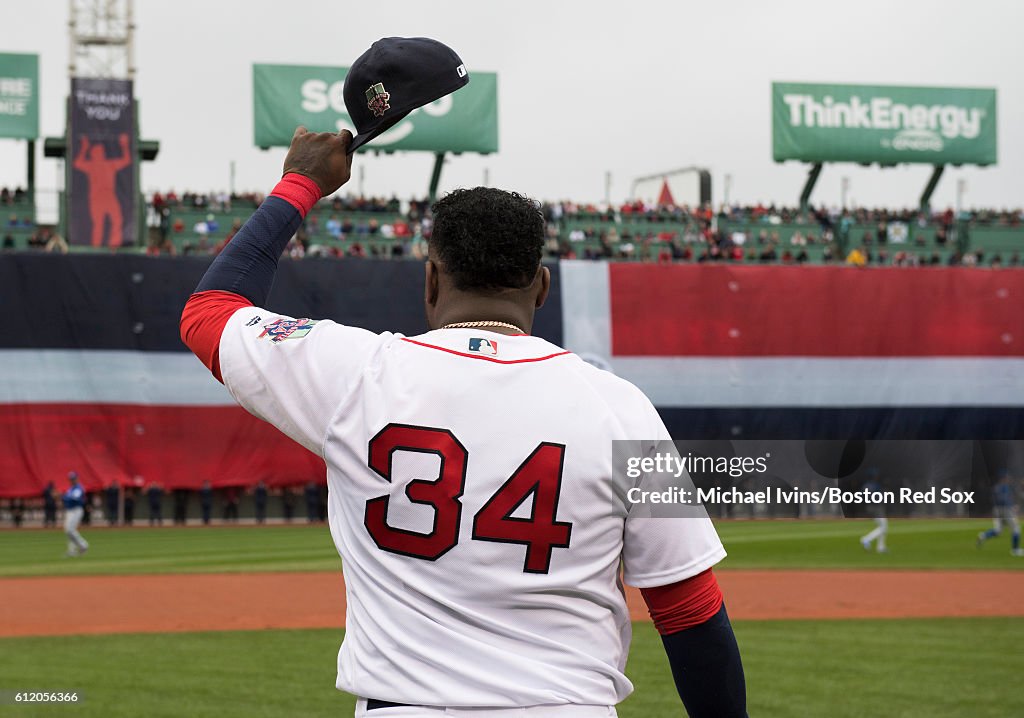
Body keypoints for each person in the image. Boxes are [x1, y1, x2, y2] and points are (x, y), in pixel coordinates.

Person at [179, 126, 746, 716]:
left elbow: (209, 311)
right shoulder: (622, 407)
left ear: (430, 281)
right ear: (542, 287)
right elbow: (689, 611)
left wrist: (301, 183)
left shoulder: (357, 374)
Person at [977, 471, 1022, 556]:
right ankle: (1015, 550)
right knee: (1016, 529)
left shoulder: (996, 487)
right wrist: (1012, 506)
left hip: (996, 509)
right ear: (1003, 478)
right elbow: (1005, 499)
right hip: (1005, 509)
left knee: (998, 530)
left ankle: (983, 535)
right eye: (1007, 477)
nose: (1008, 479)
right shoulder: (1005, 487)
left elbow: (993, 499)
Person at [859, 469, 888, 553]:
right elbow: (880, 496)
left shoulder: (865, 485)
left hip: (869, 507)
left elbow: (861, 496)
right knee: (883, 527)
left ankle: (880, 547)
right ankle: (866, 539)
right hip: (876, 507)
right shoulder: (875, 485)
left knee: (882, 526)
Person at [62, 472, 89, 557]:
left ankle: (83, 545)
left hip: (76, 510)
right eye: (71, 479)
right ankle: (72, 550)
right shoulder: (71, 488)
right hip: (70, 510)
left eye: (73, 478)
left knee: (70, 530)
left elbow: (75, 499)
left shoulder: (78, 488)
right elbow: (68, 498)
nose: (72, 480)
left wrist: (63, 496)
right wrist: (64, 497)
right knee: (68, 530)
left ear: (77, 478)